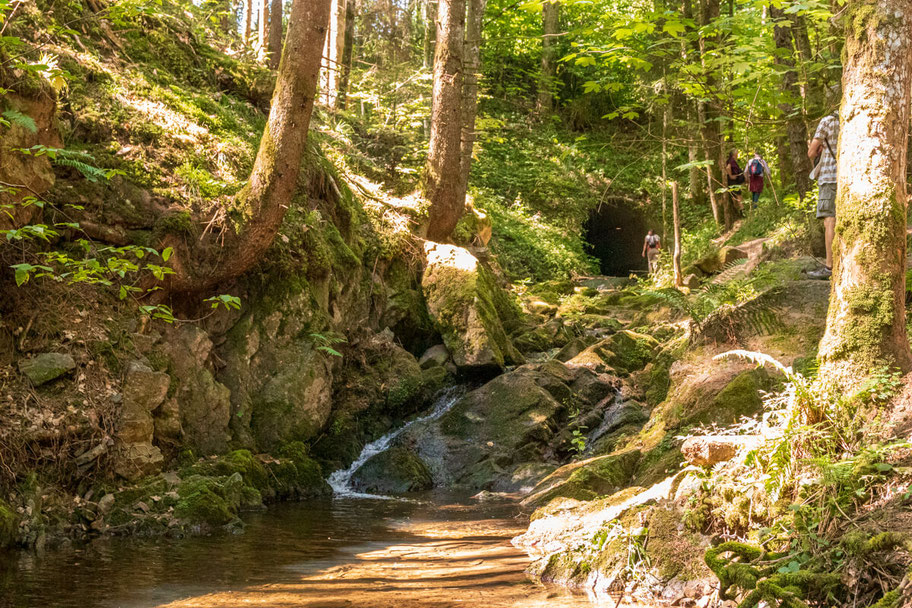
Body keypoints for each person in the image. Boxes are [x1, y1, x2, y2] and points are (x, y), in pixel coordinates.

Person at [807, 111, 839, 280]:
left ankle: (829, 266)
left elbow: (811, 153)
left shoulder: (827, 121)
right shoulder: (852, 119)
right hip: (848, 177)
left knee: (830, 221)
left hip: (829, 177)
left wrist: (814, 147)